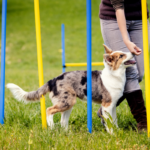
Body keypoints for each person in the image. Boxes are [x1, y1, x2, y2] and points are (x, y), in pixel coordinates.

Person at [97, 0, 150, 131]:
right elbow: (119, 7)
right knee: (130, 72)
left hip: (140, 18)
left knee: (139, 73)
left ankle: (106, 108)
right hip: (113, 18)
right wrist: (126, 40)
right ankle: (143, 123)